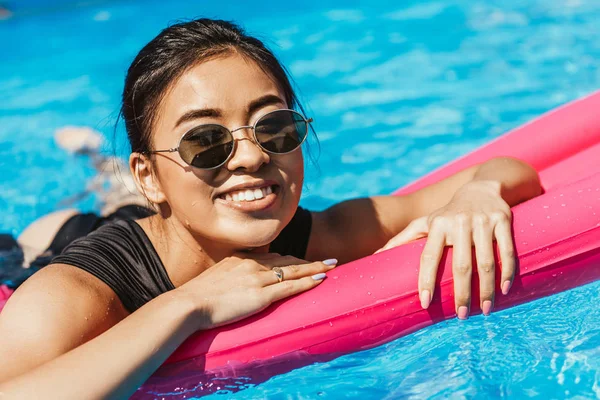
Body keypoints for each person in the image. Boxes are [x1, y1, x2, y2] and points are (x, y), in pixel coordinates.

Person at [0, 18, 542, 398]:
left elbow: (510, 171)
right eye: (205, 142)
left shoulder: (312, 235)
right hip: (49, 250)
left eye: (273, 127)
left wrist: (476, 195)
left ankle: (117, 171)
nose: (254, 155)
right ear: (154, 174)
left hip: (177, 213)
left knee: (139, 198)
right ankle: (102, 166)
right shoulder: (75, 294)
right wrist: (188, 305)